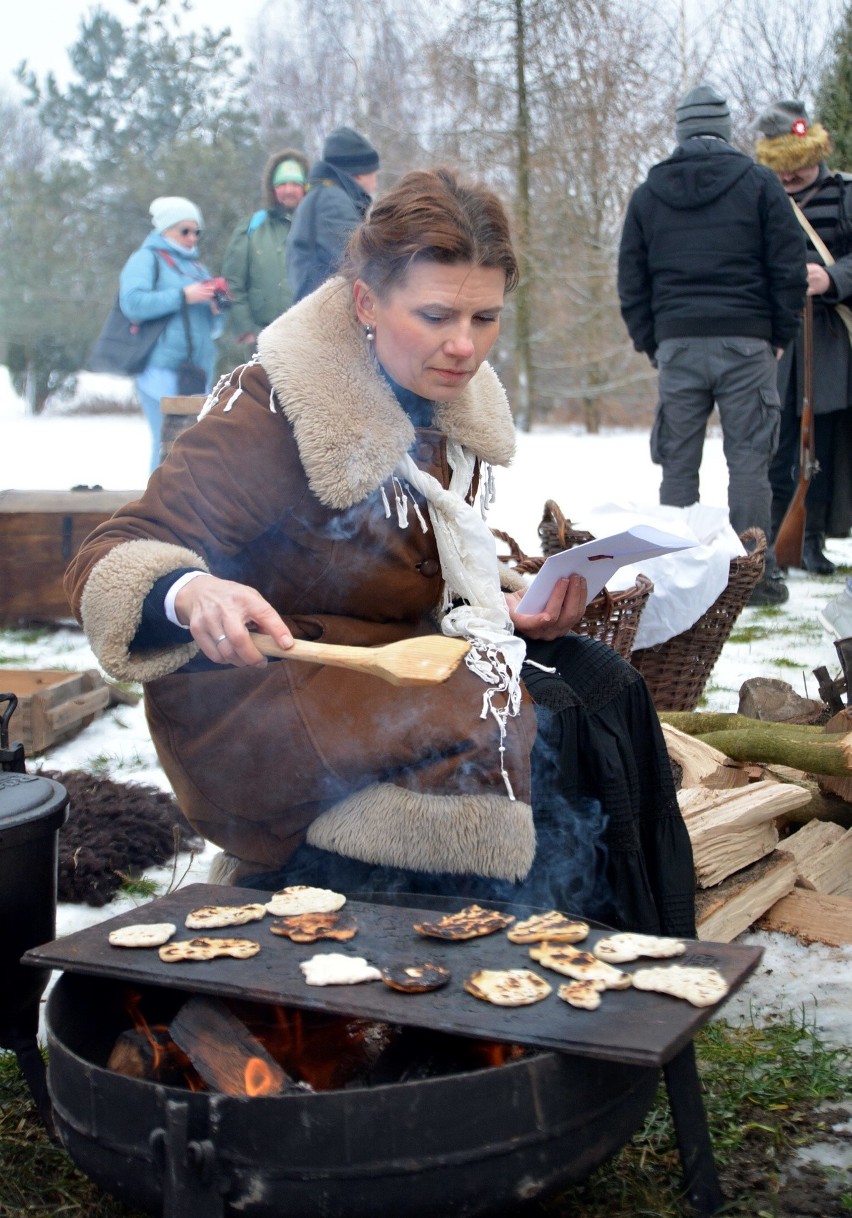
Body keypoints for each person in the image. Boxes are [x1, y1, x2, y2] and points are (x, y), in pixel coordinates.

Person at [65, 168, 695, 939]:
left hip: (397, 666)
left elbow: (421, 564)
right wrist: (193, 593)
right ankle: (470, 945)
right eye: (434, 315)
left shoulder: (446, 402)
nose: (465, 346)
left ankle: (612, 950)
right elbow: (114, 550)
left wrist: (500, 605)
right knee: (531, 720)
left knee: (604, 686)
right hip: (269, 693)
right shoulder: (273, 408)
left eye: (485, 317)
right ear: (366, 302)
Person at [617, 84, 808, 606]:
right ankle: (752, 575)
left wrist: (655, 342)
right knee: (750, 459)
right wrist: (778, 334)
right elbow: (788, 268)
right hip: (747, 341)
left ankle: (676, 568)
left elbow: (631, 279)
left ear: (680, 130)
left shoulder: (649, 193)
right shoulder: (760, 184)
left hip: (678, 343)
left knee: (678, 462)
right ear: (725, 130)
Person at [755, 99, 852, 575]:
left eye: (797, 165)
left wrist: (831, 278)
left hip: (830, 340)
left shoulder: (845, 194)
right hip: (776, 336)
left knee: (821, 443)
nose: (790, 177)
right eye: (781, 167)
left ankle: (810, 541)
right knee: (774, 443)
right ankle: (771, 545)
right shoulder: (759, 198)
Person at [120, 196, 225, 472]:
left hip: (195, 371)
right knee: (167, 444)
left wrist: (217, 309)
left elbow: (215, 330)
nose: (192, 238)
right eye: (184, 231)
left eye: (196, 231)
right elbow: (132, 302)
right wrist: (182, 295)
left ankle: (184, 510)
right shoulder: (146, 259)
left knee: (192, 447)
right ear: (165, 230)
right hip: (160, 368)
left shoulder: (197, 268)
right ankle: (156, 511)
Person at [221, 149, 310, 346]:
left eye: (295, 184)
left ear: (306, 187)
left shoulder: (319, 227)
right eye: (282, 184)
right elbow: (233, 282)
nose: (288, 190)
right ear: (272, 189)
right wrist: (246, 331)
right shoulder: (252, 227)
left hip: (309, 338)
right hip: (263, 339)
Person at [286, 126, 380, 304]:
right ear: (358, 174)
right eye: (374, 176)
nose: (375, 184)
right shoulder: (332, 200)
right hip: (324, 308)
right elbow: (355, 257)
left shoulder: (321, 195)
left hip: (316, 303)